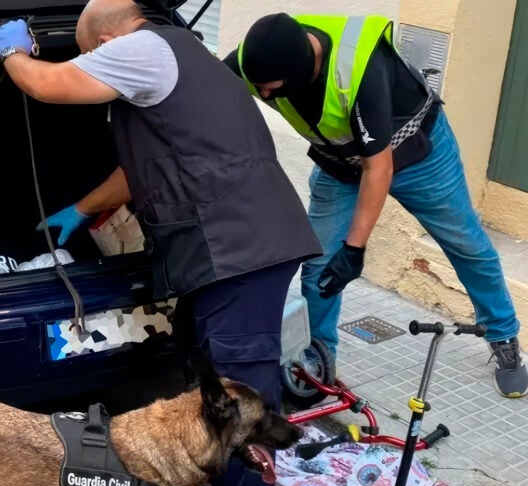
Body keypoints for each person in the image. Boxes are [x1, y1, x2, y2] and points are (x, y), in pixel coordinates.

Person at [0, 1, 322, 486]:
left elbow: (48, 84)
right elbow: (147, 165)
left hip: (238, 246)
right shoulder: (183, 51)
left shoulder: (141, 48)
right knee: (201, 370)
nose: (96, 66)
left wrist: (10, 48)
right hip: (232, 246)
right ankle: (205, 483)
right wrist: (80, 209)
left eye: (90, 57)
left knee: (241, 396)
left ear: (105, 43)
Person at [223, 13, 528, 398]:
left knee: (466, 244)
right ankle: (317, 362)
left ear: (303, 68)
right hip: (339, 162)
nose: (264, 95)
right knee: (319, 262)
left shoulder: (360, 71)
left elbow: (378, 169)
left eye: (270, 88)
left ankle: (503, 336)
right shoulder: (262, 58)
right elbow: (203, 86)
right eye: (259, 87)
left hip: (418, 157)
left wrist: (354, 249)